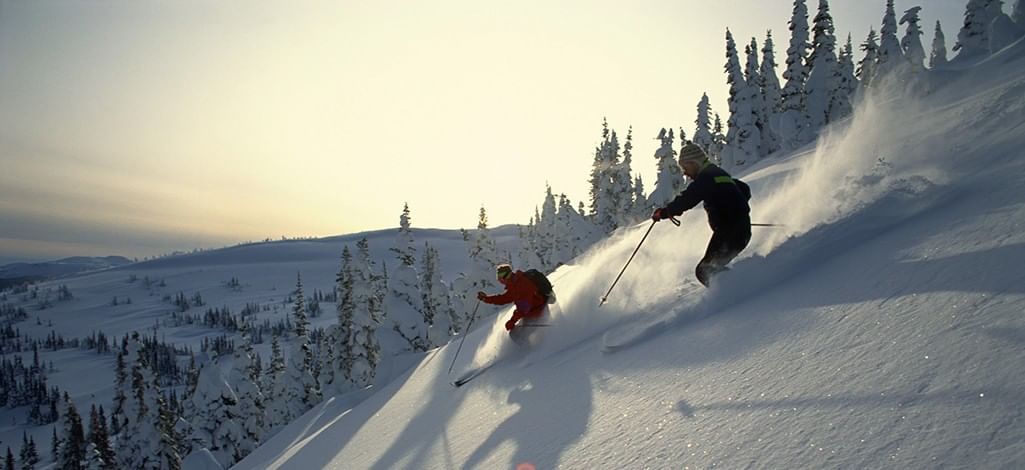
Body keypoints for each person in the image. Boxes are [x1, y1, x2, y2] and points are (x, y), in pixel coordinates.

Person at [651, 141, 752, 287]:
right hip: (738, 230)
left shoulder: (706, 178)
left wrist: (665, 212)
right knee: (710, 268)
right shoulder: (718, 173)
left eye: (685, 167)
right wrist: (737, 211)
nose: (684, 172)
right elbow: (744, 189)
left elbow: (688, 199)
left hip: (730, 232)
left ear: (693, 163)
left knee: (705, 270)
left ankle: (739, 292)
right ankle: (742, 286)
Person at [477, 264, 547, 333]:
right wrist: (485, 298)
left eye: (500, 277)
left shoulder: (521, 284)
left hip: (538, 309)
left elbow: (524, 307)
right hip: (530, 310)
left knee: (518, 334)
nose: (500, 281)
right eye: (498, 277)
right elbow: (504, 299)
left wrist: (512, 321)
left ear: (506, 275)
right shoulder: (513, 285)